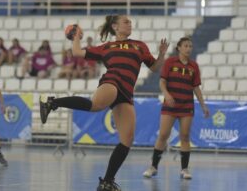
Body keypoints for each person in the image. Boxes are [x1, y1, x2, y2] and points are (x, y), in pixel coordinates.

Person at [39, 14, 169, 191]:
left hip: (127, 92)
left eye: (130, 22)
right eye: (126, 22)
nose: (130, 24)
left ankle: (107, 181)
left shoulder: (140, 46)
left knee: (127, 140)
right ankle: (51, 103)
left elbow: (154, 67)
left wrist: (161, 54)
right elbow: (77, 52)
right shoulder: (106, 47)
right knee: (95, 106)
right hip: (113, 81)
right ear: (115, 27)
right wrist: (76, 37)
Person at [143, 37, 209, 179]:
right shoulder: (170, 62)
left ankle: (184, 169)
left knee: (185, 137)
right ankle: (153, 167)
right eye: (185, 46)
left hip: (187, 106)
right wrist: (167, 95)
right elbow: (162, 82)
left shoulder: (194, 66)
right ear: (179, 48)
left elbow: (196, 87)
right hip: (170, 105)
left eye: (190, 46)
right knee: (163, 135)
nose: (188, 48)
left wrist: (203, 105)